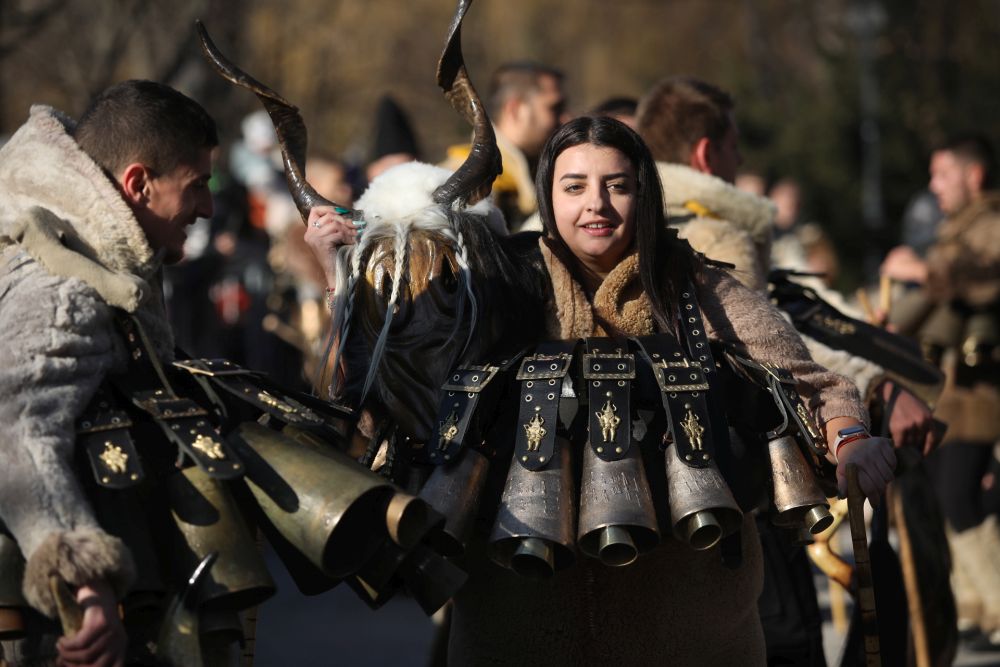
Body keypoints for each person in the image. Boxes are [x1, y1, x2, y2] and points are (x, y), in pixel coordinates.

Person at [308, 115, 895, 665]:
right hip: (515, 629)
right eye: (575, 186)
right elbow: (391, 392)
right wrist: (340, 274)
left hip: (692, 628)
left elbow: (813, 385)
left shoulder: (696, 283)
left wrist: (850, 442)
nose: (596, 203)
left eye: (617, 185)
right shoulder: (489, 283)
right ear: (547, 196)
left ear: (645, 194)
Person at [637, 75, 937, 665]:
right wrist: (873, 389)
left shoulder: (658, 220)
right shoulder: (713, 229)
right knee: (788, 639)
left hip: (669, 488)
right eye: (733, 144)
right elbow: (774, 349)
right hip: (740, 477)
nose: (742, 158)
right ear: (705, 153)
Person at [0, 80, 216, 666]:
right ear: (138, 184)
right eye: (197, 187)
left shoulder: (89, 251)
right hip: (55, 627)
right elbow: (15, 435)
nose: (208, 209)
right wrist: (87, 586)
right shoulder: (64, 292)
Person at [882, 133, 1000, 649]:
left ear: (974, 177)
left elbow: (981, 277)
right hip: (948, 391)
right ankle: (975, 608)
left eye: (942, 174)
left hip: (979, 393)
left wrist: (918, 270)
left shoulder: (991, 225)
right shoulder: (960, 229)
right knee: (950, 498)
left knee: (962, 497)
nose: (934, 187)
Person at [441, 61, 567, 231]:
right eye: (554, 108)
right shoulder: (463, 183)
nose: (565, 119)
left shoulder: (545, 170)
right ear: (515, 110)